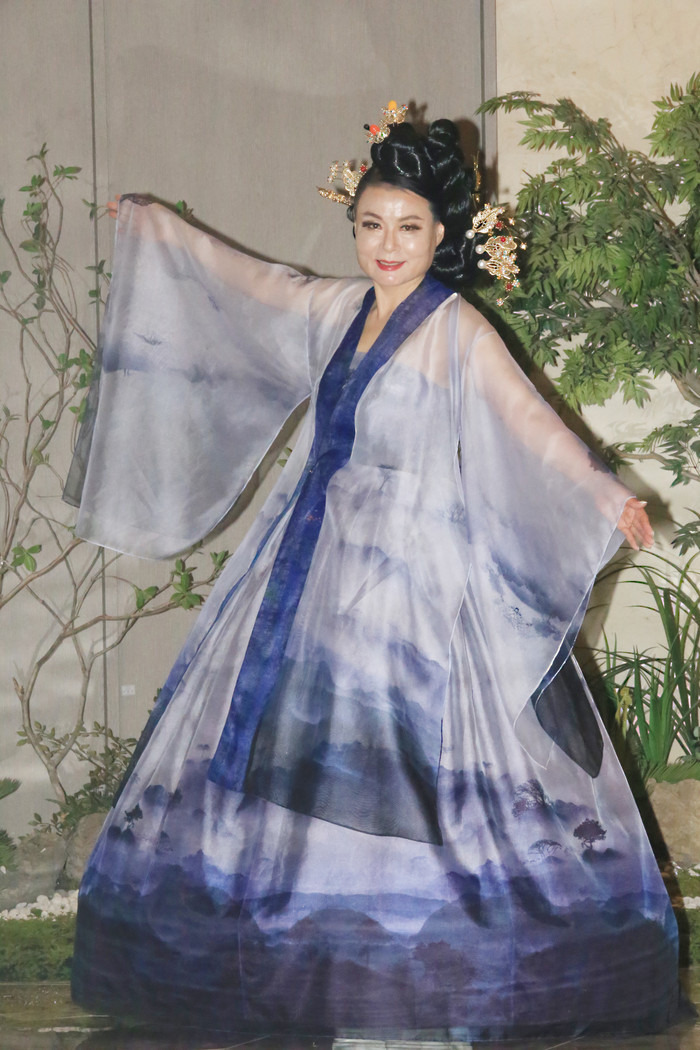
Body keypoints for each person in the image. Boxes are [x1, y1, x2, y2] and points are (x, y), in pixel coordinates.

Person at [65, 105, 677, 1041]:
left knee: (398, 752)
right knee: (298, 746)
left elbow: (531, 423)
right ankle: (293, 954)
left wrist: (604, 495)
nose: (388, 247)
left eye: (410, 228)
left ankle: (416, 961)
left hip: (413, 581)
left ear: (442, 235)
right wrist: (155, 226)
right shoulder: (334, 311)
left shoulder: (457, 329)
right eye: (372, 225)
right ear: (354, 225)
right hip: (309, 571)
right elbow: (244, 282)